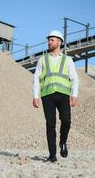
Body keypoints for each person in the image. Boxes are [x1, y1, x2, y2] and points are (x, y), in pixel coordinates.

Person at [33, 30, 79, 162]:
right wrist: (35, 96)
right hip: (47, 95)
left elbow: (74, 78)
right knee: (50, 124)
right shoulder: (42, 59)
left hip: (63, 95)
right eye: (49, 40)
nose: (49, 42)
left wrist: (74, 95)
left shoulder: (68, 60)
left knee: (66, 121)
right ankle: (52, 155)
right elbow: (36, 78)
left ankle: (63, 142)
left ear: (59, 42)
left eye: (52, 40)